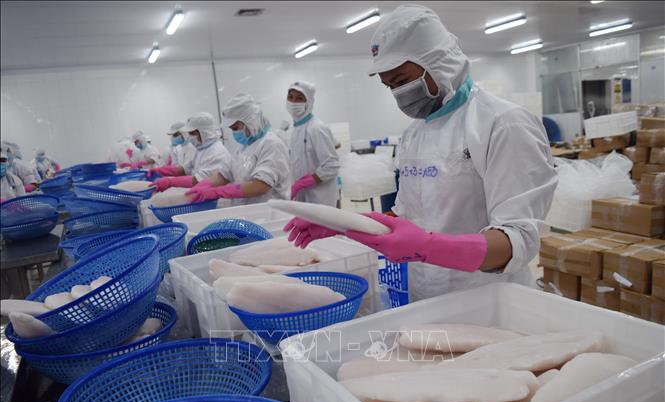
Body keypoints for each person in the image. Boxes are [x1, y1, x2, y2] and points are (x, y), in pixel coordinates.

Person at [284, 4, 557, 301]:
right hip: (425, 296)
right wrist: (344, 225)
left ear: (439, 63)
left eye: (402, 81)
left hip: (488, 299)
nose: (398, 94)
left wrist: (427, 247)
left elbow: (518, 240)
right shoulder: (414, 134)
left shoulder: (503, 123)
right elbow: (404, 216)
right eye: (390, 86)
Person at [186, 93, 290, 205]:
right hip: (249, 212)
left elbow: (260, 185)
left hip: (269, 214)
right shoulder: (243, 147)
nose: (234, 133)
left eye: (235, 128)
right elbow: (225, 173)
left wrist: (219, 192)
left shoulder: (271, 144)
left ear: (251, 121)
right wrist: (204, 185)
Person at [286, 81, 341, 207]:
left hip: (321, 199)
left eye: (299, 98)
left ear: (308, 102)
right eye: (290, 97)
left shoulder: (317, 128)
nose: (293, 102)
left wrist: (307, 181)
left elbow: (332, 165)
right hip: (303, 198)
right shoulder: (294, 129)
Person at [149, 113, 233, 192]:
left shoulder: (217, 152)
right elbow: (185, 169)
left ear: (204, 133)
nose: (189, 137)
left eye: (192, 133)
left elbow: (198, 180)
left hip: (217, 199)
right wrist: (160, 171)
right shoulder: (200, 149)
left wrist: (170, 182)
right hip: (201, 193)